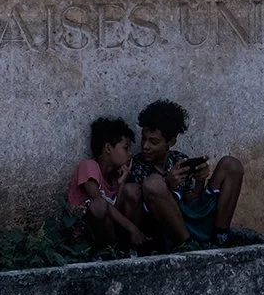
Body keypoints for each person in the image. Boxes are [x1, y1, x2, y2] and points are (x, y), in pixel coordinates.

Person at [130, 98, 244, 246]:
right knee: (153, 183)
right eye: (143, 139)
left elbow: (191, 199)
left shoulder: (179, 159)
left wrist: (200, 182)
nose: (145, 146)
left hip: (190, 217)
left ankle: (220, 235)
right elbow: (147, 207)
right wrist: (168, 185)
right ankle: (187, 246)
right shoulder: (137, 166)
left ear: (170, 142)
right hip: (168, 228)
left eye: (154, 142)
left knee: (231, 165)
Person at [69, 116, 146, 249]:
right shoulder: (88, 166)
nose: (130, 154)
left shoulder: (114, 178)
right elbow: (99, 203)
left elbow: (114, 210)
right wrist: (132, 228)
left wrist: (122, 183)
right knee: (99, 205)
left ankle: (125, 248)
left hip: (111, 232)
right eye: (126, 148)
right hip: (85, 236)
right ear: (108, 148)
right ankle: (107, 252)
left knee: (133, 189)